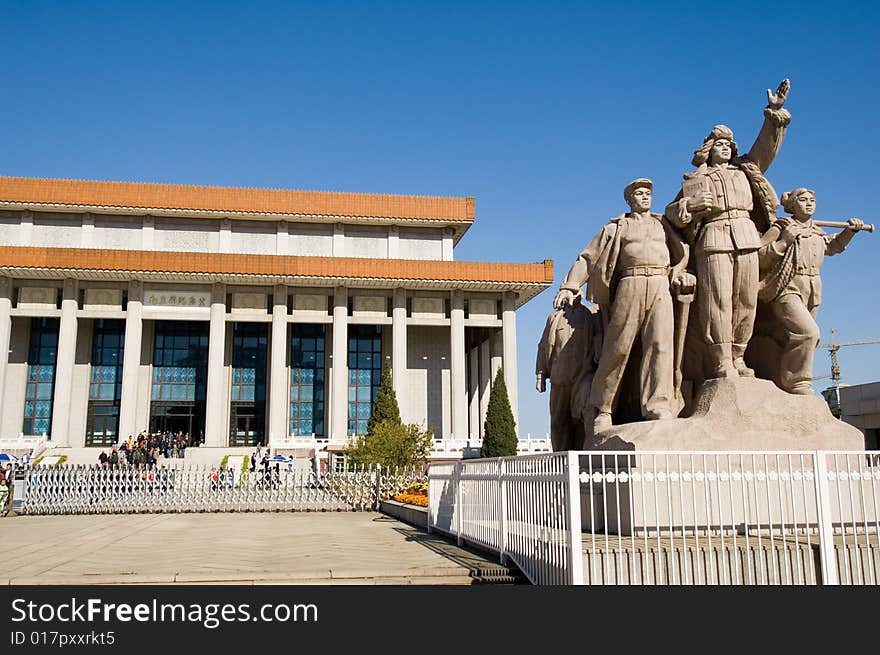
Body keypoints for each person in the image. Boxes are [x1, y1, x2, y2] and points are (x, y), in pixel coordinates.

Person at [666, 79, 791, 379]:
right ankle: (721, 358)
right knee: (717, 300)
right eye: (718, 144)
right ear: (708, 150)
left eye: (727, 145)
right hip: (714, 239)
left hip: (746, 236)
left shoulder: (746, 170)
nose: (723, 148)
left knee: (745, 299)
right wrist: (691, 206)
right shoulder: (695, 179)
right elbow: (672, 214)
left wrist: (773, 114)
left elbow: (765, 149)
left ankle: (738, 355)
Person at [555, 178, 692, 429]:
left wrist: (681, 272)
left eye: (648, 193)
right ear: (629, 199)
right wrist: (570, 285)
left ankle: (658, 405)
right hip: (631, 282)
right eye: (639, 193)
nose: (645, 197)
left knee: (661, 344)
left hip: (660, 282)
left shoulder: (663, 224)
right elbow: (587, 258)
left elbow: (682, 251)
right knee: (617, 347)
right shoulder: (617, 227)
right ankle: (603, 408)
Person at [756, 188, 864, 393]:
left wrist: (849, 232)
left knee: (796, 337)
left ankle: (781, 379)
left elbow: (832, 247)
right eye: (803, 200)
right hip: (788, 286)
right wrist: (784, 240)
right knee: (808, 333)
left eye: (812, 200)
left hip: (813, 287)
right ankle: (798, 382)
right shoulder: (782, 226)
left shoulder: (817, 230)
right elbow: (759, 256)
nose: (809, 203)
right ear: (792, 205)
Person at [535, 297, 603, 450]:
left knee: (585, 416)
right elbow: (544, 346)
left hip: (583, 375)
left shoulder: (590, 314)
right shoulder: (554, 318)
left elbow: (599, 336)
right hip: (559, 378)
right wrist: (541, 374)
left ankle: (586, 456)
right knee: (559, 422)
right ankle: (560, 458)